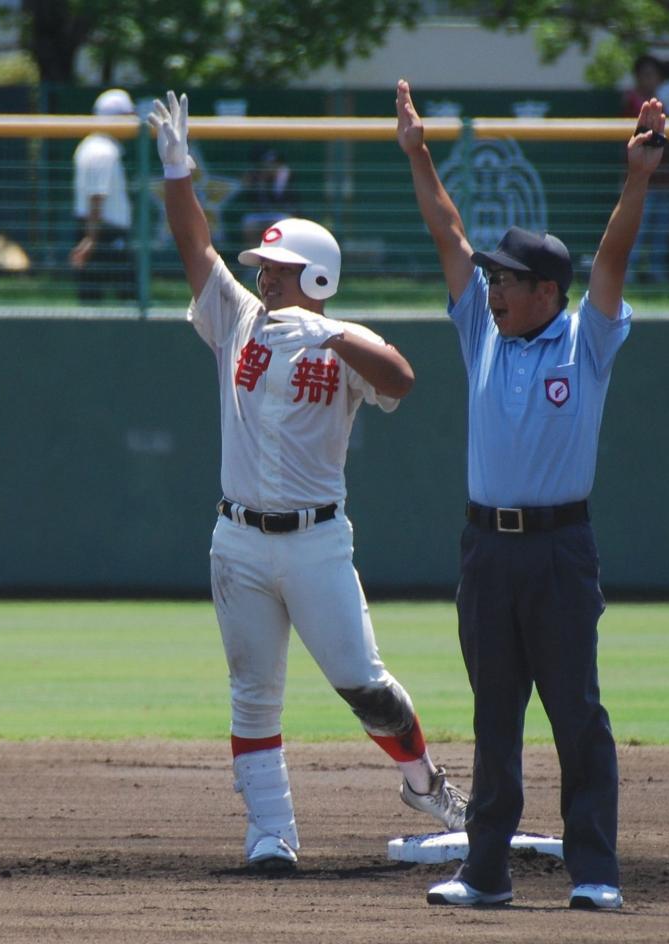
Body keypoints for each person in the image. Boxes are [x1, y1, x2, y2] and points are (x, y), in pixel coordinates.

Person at [146, 91, 467, 871]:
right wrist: (178, 170)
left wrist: (330, 333)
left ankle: (426, 785)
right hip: (238, 537)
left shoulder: (341, 339)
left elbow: (402, 378)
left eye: (279, 270)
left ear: (316, 276)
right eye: (264, 268)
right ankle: (271, 832)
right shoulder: (238, 319)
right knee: (253, 693)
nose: (265, 278)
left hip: (317, 539)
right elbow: (195, 247)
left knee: (365, 684)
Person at [396, 78, 665, 910]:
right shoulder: (481, 329)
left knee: (576, 713)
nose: (493, 287)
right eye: (492, 277)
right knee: (495, 717)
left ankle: (595, 872)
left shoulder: (585, 342)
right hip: (487, 549)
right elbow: (447, 230)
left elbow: (611, 259)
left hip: (558, 550)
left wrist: (637, 178)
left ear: (548, 290)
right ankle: (486, 873)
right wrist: (418, 153)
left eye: (508, 278)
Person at [69, 88, 136, 302]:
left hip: (98, 231)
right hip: (104, 233)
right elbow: (96, 196)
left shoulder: (94, 145)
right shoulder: (103, 150)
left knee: (93, 299)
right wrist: (91, 239)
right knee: (129, 299)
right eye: (127, 116)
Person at [622, 55, 669, 284]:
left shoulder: (667, 103)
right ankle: (628, 274)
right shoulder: (631, 101)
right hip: (639, 180)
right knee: (636, 229)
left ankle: (656, 272)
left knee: (660, 230)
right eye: (646, 75)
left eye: (654, 75)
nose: (651, 80)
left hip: (663, 178)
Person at [240, 146, 297, 247]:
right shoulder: (256, 176)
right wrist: (259, 182)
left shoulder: (285, 176)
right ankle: (256, 254)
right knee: (249, 224)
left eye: (273, 163)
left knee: (281, 224)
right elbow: (252, 199)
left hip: (280, 214)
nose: (270, 167)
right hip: (260, 214)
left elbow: (284, 200)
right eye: (267, 163)